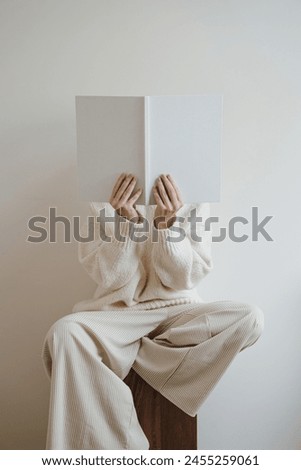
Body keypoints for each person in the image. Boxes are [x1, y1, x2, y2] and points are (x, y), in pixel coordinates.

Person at [42, 173, 264, 450]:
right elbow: (109, 277)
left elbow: (185, 278)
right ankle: (124, 446)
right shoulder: (100, 193)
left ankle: (137, 354)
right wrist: (127, 224)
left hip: (176, 314)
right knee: (65, 332)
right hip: (117, 316)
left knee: (249, 318)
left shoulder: (194, 189)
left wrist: (165, 225)